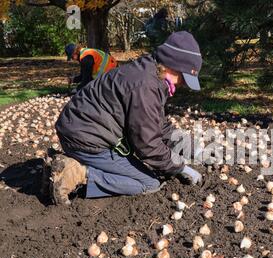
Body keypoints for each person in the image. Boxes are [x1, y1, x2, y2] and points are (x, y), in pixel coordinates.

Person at [51, 31, 202, 205]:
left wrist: (183, 143)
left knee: (143, 171)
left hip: (81, 129)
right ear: (172, 65)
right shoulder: (146, 86)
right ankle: (75, 174)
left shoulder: (148, 72)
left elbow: (155, 123)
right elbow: (147, 144)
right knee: (149, 183)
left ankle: (68, 165)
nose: (182, 83)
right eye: (184, 77)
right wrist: (179, 167)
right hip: (85, 138)